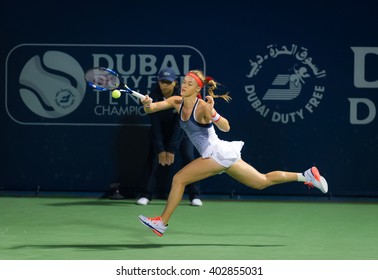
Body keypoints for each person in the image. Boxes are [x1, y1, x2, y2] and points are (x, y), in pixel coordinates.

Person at [138, 69, 328, 236]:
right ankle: (306, 176)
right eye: (184, 82)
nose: (184, 86)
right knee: (261, 182)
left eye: (189, 84)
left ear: (197, 89)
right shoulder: (176, 102)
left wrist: (213, 114)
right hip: (219, 156)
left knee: (179, 179)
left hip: (215, 153)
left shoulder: (203, 107)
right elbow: (152, 108)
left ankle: (162, 222)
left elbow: (226, 127)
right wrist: (147, 103)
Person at [136, 68, 203, 207]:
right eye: (162, 81)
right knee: (153, 158)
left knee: (189, 157)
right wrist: (161, 149)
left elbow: (180, 125)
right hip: (160, 132)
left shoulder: (181, 97)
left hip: (183, 132)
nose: (165, 85)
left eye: (168, 82)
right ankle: (145, 195)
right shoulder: (153, 96)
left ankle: (194, 195)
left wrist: (171, 149)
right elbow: (155, 125)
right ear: (158, 82)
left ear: (174, 83)